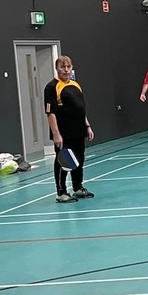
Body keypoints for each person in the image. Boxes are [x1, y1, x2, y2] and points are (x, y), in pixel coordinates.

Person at [45, 55, 94, 203]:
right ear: (57, 68)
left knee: (79, 160)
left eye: (68, 67)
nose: (66, 70)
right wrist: (56, 134)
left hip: (78, 131)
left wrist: (87, 126)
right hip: (64, 133)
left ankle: (77, 188)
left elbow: (81, 108)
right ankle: (61, 192)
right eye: (62, 67)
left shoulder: (75, 85)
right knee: (64, 161)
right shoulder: (52, 87)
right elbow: (50, 112)